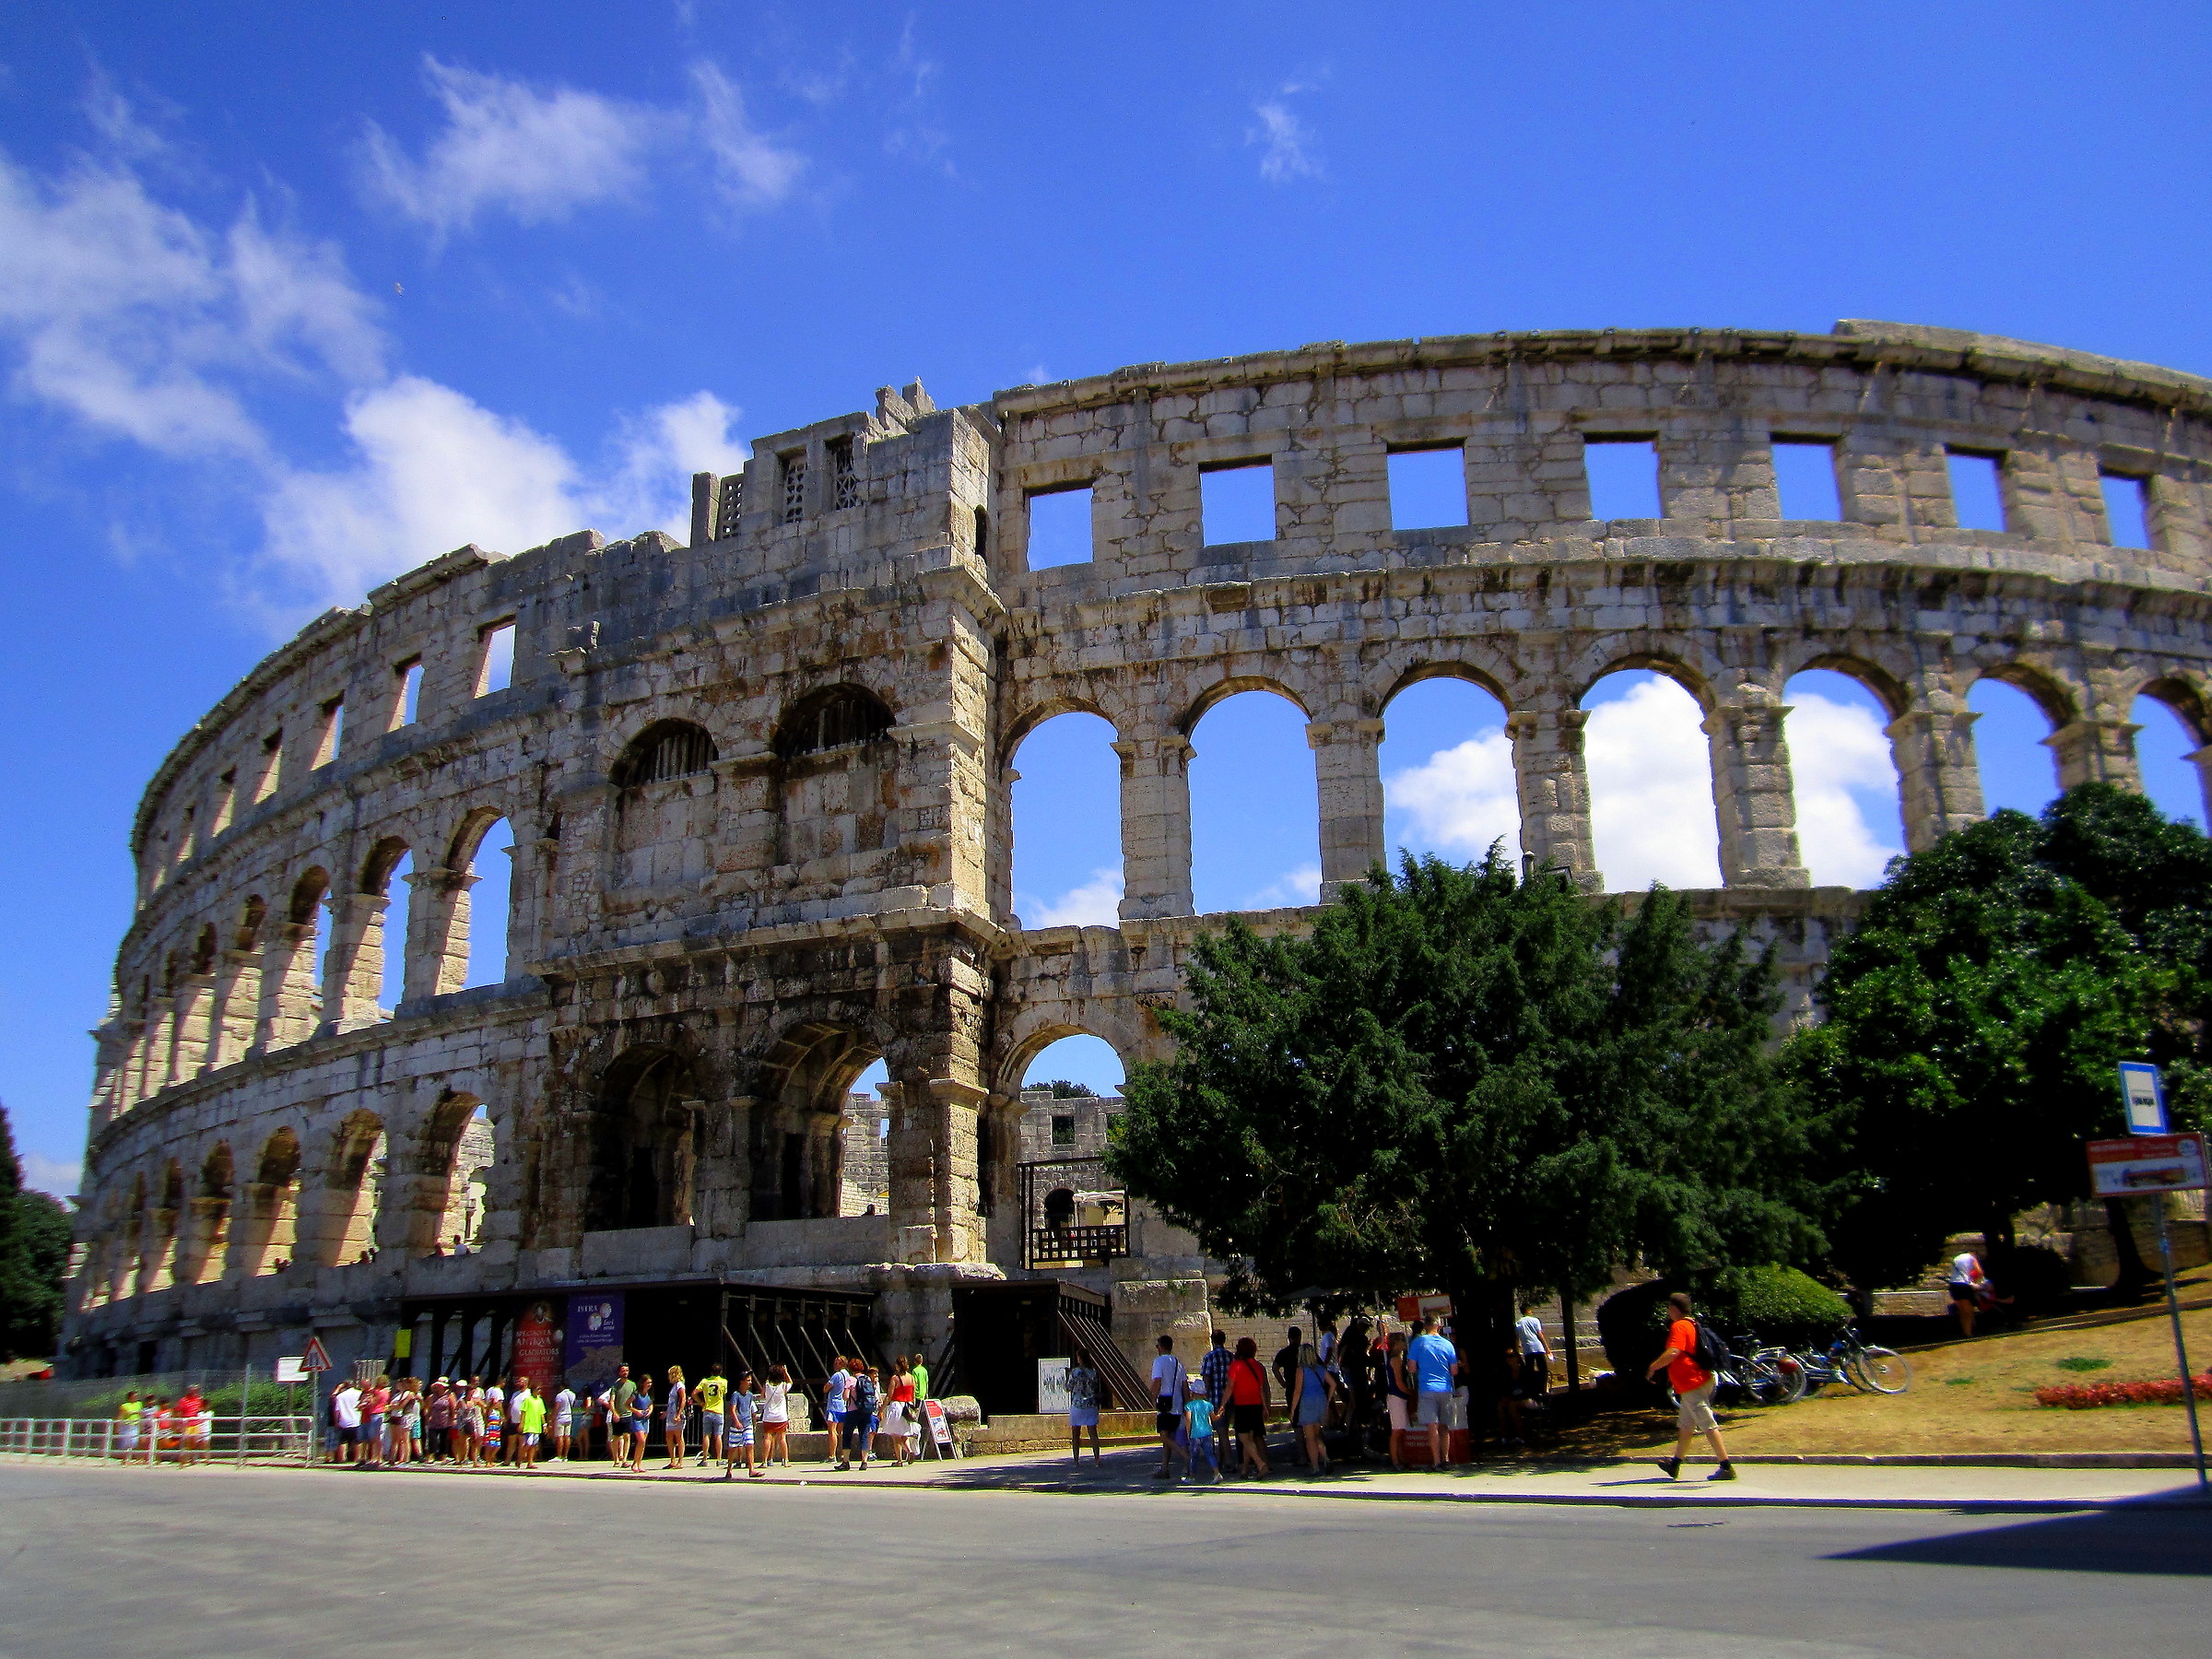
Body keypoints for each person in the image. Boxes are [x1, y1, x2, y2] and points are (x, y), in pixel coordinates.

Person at [1647, 1290, 1735, 1482]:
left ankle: (1726, 1466)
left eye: (1669, 1308)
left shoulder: (1679, 1326)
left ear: (1673, 1309)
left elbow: (1673, 1352)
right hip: (1695, 1382)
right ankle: (1675, 1464)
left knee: (1708, 1425)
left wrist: (1653, 1367)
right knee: (1686, 1426)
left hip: (1693, 1383)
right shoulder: (1693, 1323)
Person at [1407, 1314, 1460, 1469]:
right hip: (1445, 1388)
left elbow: (1411, 1368)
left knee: (1432, 1427)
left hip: (1427, 1387)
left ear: (1425, 1326)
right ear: (1438, 1326)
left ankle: (1436, 1461)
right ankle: (1446, 1459)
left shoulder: (1418, 1342)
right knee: (1445, 1427)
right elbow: (1454, 1371)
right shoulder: (1448, 1344)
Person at [1226, 1336, 1271, 1477]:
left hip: (1242, 1406)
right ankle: (1245, 1469)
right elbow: (1261, 1389)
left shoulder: (1236, 1365)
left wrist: (1222, 1404)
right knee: (1250, 1438)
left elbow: (1230, 1387)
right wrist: (1265, 1407)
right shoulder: (1257, 1366)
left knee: (1243, 1438)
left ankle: (1260, 1464)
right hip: (1256, 1405)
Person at [1289, 1343, 1335, 1474]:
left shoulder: (1301, 1370)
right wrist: (1328, 1399)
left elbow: (1297, 1391)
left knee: (1309, 1438)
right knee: (1317, 1435)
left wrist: (1292, 1410)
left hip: (1307, 1401)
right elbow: (1332, 1384)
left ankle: (1315, 1467)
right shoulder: (1321, 1368)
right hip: (1321, 1400)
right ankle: (1325, 1457)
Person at [1150, 1333, 1187, 1479]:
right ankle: (1165, 1468)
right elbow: (1185, 1385)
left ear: (1161, 1347)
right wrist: (1187, 1403)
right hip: (1178, 1404)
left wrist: (1152, 1397)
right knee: (1171, 1435)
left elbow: (1157, 1381)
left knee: (1164, 1436)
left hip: (1165, 1404)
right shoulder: (1179, 1363)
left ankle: (1185, 1457)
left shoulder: (1159, 1362)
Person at [1199, 1329, 1234, 1472]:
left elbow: (1206, 1377)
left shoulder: (1209, 1357)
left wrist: (1206, 1394)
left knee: (1221, 1432)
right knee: (1225, 1429)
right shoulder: (1231, 1357)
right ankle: (1221, 1459)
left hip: (1215, 1398)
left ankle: (1230, 1462)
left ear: (1213, 1340)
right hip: (1230, 1398)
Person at [1066, 1347, 1104, 1465]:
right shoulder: (1093, 1372)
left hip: (1077, 1405)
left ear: (1080, 1358)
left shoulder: (1075, 1372)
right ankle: (1097, 1459)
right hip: (1091, 1404)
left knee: (1075, 1433)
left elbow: (1068, 1387)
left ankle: (1076, 1460)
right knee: (1093, 1432)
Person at [1180, 1375, 1221, 1483]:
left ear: (1193, 1393)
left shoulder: (1189, 1406)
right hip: (1207, 1432)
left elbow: (1188, 1420)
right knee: (1210, 1454)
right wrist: (1220, 1414)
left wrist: (1188, 1432)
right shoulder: (1209, 1405)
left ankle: (1192, 1476)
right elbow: (1214, 1418)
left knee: (1194, 1456)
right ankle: (1217, 1473)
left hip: (1195, 1434)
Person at [1382, 1331, 1413, 1469]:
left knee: (1402, 1430)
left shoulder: (1398, 1358)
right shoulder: (1396, 1360)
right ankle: (1395, 1461)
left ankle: (1402, 1458)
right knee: (1397, 1431)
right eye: (1402, 1341)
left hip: (1399, 1396)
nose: (1405, 1344)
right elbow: (1399, 1382)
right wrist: (1411, 1393)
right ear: (1396, 1343)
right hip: (1397, 1396)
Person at [724, 1369, 762, 1478]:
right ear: (742, 1382)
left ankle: (751, 1470)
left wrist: (753, 1422)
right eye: (748, 1380)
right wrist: (736, 1421)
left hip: (747, 1424)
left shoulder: (750, 1395)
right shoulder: (736, 1395)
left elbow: (751, 1410)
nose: (750, 1382)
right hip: (737, 1425)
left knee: (750, 1445)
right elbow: (732, 1409)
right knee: (733, 1448)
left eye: (750, 1380)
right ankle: (729, 1468)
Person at [839, 1362, 876, 1471]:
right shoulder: (867, 1379)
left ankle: (846, 1462)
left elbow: (845, 1397)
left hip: (853, 1411)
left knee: (847, 1435)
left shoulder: (850, 1380)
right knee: (864, 1435)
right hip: (866, 1411)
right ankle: (864, 1462)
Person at [881, 1359, 918, 1466]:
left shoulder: (895, 1378)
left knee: (896, 1435)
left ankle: (899, 1460)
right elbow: (913, 1395)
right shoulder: (911, 1378)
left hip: (897, 1406)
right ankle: (910, 1451)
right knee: (904, 1432)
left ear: (897, 1366)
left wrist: (882, 1408)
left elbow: (889, 1396)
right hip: (907, 1406)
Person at [1514, 1303, 1553, 1397]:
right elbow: (1540, 1334)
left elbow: (1517, 1337)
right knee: (1543, 1369)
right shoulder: (1535, 1320)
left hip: (1527, 1349)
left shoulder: (1518, 1323)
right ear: (1528, 1311)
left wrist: (1518, 1350)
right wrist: (1547, 1348)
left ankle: (1532, 1389)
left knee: (1530, 1370)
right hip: (1538, 1347)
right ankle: (1544, 1388)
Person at [760, 1365, 794, 1467]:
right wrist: (786, 1372)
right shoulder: (783, 1386)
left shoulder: (766, 1385)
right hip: (781, 1416)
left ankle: (764, 1461)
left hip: (769, 1415)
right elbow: (791, 1382)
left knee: (767, 1438)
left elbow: (762, 1396)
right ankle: (785, 1460)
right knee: (782, 1438)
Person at [1948, 1249, 1986, 1338]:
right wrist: (1975, 1283)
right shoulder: (1972, 1258)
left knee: (1962, 1311)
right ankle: (1968, 1334)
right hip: (1964, 1285)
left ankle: (1966, 1332)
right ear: (1975, 1254)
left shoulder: (1956, 1258)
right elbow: (1980, 1272)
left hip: (1953, 1285)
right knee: (1968, 1311)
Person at [604, 1366, 636, 1468]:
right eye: (623, 1371)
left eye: (627, 1370)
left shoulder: (632, 1384)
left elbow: (635, 1397)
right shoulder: (615, 1386)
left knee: (627, 1436)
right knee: (616, 1437)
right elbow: (612, 1401)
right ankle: (616, 1459)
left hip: (628, 1414)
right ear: (619, 1372)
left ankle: (625, 1459)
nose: (625, 1372)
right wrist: (614, 1413)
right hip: (618, 1415)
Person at [696, 1363, 728, 1465]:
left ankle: (705, 1458)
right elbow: (724, 1393)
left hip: (707, 1410)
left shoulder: (705, 1381)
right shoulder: (723, 1382)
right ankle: (719, 1459)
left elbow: (694, 1393)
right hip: (718, 1410)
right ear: (721, 1372)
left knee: (706, 1435)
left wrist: (701, 1402)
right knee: (718, 1436)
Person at [822, 1358, 852, 1466]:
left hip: (834, 1405)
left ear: (841, 1364)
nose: (834, 1364)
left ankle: (832, 1455)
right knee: (840, 1432)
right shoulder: (848, 1375)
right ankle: (842, 1454)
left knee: (832, 1431)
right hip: (844, 1406)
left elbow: (826, 1388)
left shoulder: (837, 1375)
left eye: (836, 1362)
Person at [510, 1377, 542, 1469]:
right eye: (538, 1389)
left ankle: (530, 1462)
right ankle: (520, 1458)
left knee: (534, 1445)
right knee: (528, 1443)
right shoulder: (528, 1398)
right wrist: (521, 1423)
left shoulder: (539, 1400)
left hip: (536, 1426)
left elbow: (542, 1413)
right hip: (528, 1425)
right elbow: (523, 1411)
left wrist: (544, 1424)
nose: (539, 1390)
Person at [663, 1367, 689, 1470]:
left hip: (677, 1415)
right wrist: (666, 1412)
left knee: (679, 1437)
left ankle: (680, 1461)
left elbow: (683, 1399)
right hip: (670, 1414)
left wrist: (679, 1414)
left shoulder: (680, 1385)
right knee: (669, 1436)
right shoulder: (674, 1386)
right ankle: (672, 1460)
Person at [327, 1382, 359, 1465]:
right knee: (357, 1441)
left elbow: (337, 1410)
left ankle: (341, 1459)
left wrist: (337, 1421)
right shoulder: (359, 1393)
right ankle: (356, 1459)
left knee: (342, 1441)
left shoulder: (340, 1396)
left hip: (344, 1421)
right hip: (357, 1420)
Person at [455, 1381, 484, 1466]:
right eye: (471, 1391)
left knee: (474, 1441)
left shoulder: (474, 1401)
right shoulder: (461, 1401)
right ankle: (461, 1460)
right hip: (462, 1422)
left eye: (473, 1391)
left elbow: (485, 1406)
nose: (472, 1393)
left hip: (471, 1422)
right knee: (462, 1442)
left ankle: (475, 1461)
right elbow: (456, 1409)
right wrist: (459, 1414)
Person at [426, 1379, 454, 1462]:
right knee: (432, 1439)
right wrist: (428, 1416)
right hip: (434, 1421)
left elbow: (453, 1408)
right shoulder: (432, 1397)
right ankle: (431, 1456)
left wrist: (453, 1418)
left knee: (444, 1440)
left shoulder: (449, 1396)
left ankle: (443, 1456)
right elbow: (428, 1408)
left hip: (445, 1421)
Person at [552, 1379, 577, 1464]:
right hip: (569, 1416)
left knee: (560, 1437)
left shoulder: (560, 1395)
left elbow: (557, 1407)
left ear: (561, 1386)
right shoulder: (573, 1395)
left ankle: (559, 1455)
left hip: (561, 1417)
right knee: (567, 1436)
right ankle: (565, 1456)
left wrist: (552, 1417)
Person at [115, 1390, 144, 1462]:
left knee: (135, 1442)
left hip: (135, 1425)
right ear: (130, 1397)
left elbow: (141, 1414)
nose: (136, 1397)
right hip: (126, 1426)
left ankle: (138, 1458)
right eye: (135, 1396)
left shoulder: (139, 1404)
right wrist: (117, 1426)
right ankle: (125, 1459)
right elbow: (120, 1416)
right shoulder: (124, 1406)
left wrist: (141, 1424)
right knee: (126, 1443)